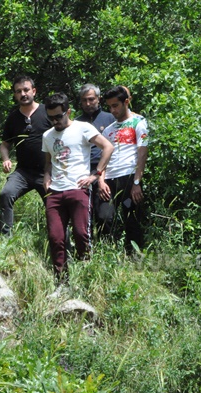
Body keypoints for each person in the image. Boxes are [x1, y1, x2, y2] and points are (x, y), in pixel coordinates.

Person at [42, 93, 114, 282]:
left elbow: (108, 147)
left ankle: (85, 277)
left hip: (78, 189)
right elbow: (48, 162)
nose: (55, 121)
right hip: (55, 192)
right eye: (51, 118)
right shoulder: (47, 135)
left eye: (58, 116)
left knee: (82, 234)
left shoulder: (83, 128)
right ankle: (61, 281)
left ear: (68, 112)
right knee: (56, 238)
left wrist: (96, 174)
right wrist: (47, 176)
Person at [0, 75, 53, 235]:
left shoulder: (47, 112)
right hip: (23, 172)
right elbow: (5, 144)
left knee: (54, 203)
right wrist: (6, 159)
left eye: (26, 90)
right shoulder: (13, 118)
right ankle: (5, 238)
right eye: (18, 91)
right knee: (6, 194)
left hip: (47, 172)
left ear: (34, 91)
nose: (23, 94)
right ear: (15, 95)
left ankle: (60, 240)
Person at [98, 85, 149, 252]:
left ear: (126, 102)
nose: (112, 110)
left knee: (131, 217)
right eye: (109, 107)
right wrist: (101, 181)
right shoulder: (108, 131)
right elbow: (103, 158)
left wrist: (136, 182)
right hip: (109, 181)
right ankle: (107, 253)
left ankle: (134, 255)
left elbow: (142, 154)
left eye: (116, 105)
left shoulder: (139, 123)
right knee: (104, 216)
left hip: (128, 178)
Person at [75, 83, 116, 233]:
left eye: (91, 99)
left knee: (105, 215)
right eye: (84, 100)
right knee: (84, 214)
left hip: (106, 169)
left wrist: (100, 175)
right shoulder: (76, 123)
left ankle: (108, 242)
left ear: (98, 99)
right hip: (83, 170)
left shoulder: (110, 118)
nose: (88, 103)